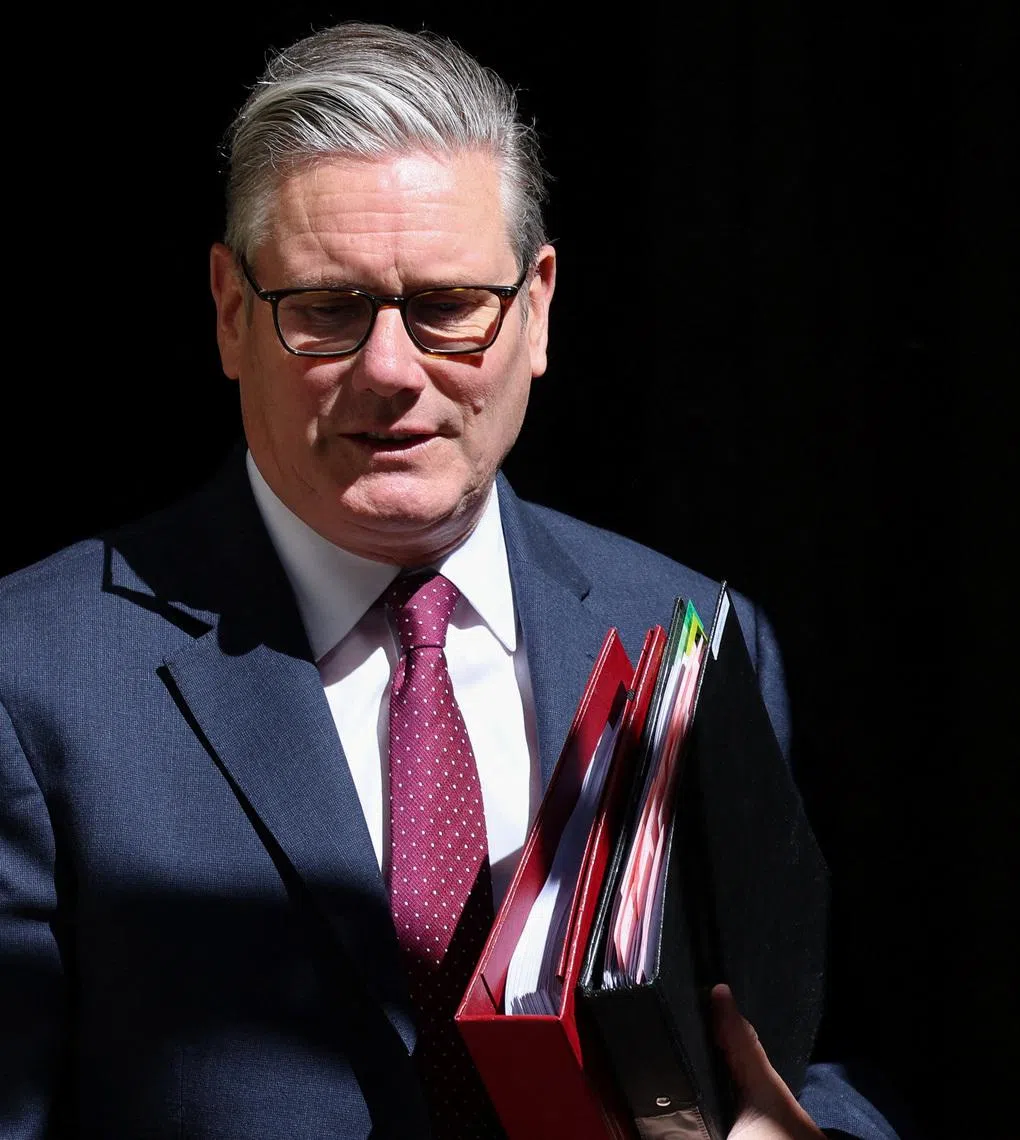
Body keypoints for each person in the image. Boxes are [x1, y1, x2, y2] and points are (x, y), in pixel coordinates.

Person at [0, 22, 903, 1140]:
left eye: (444, 308)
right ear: (232, 313)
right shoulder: (34, 678)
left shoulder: (696, 631)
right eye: (326, 309)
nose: (390, 369)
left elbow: (820, 1054)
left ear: (537, 310)